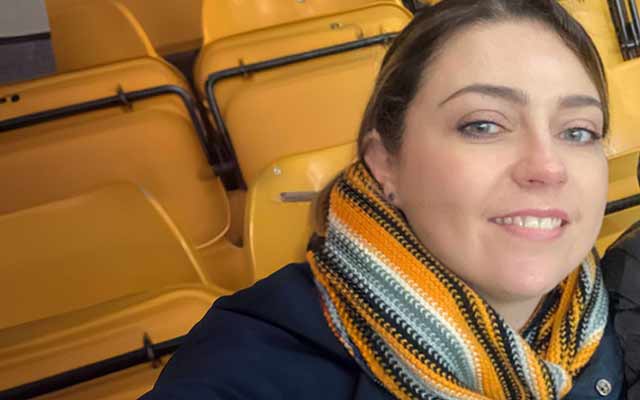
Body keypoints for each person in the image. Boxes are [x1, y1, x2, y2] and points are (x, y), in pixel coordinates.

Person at [141, 0, 633, 398]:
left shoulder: (623, 301)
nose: (547, 167)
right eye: (483, 125)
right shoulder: (246, 370)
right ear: (385, 162)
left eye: (578, 131)